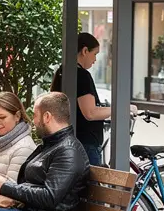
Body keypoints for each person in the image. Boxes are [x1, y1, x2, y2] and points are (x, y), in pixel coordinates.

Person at [51, 32, 135, 166]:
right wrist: (122, 109)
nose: (95, 59)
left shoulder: (63, 71)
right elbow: (90, 113)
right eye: (94, 54)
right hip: (86, 144)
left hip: (67, 140)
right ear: (85, 51)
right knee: (90, 186)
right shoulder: (82, 75)